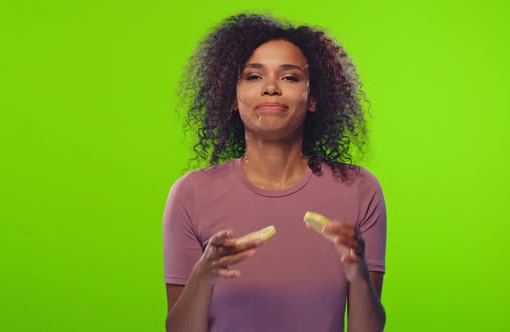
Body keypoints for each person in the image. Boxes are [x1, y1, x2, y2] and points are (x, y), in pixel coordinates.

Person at [163, 13, 387, 332]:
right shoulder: (190, 194)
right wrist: (204, 274)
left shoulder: (360, 189)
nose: (271, 88)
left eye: (289, 77)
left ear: (313, 98)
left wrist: (359, 275)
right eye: (253, 76)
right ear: (231, 97)